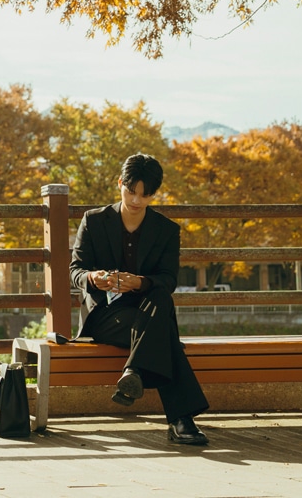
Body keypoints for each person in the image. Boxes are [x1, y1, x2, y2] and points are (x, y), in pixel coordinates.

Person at [69, 153, 210, 445]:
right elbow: (75, 271)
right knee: (164, 334)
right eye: (130, 191)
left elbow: (168, 279)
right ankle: (181, 420)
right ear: (120, 183)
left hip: (147, 311)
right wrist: (93, 278)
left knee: (160, 295)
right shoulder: (94, 221)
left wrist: (141, 282)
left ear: (154, 194)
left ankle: (134, 372)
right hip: (106, 316)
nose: (136, 200)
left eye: (145, 195)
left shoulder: (166, 230)